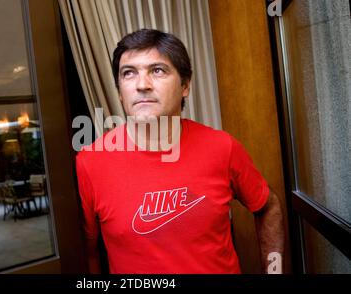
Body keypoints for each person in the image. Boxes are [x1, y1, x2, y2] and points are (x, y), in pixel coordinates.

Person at [75, 29, 284, 274]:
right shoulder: (90, 163)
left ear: (185, 85)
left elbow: (269, 207)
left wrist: (274, 271)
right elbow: (89, 252)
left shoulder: (222, 148)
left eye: (157, 70)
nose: (142, 85)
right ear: (120, 92)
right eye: (129, 73)